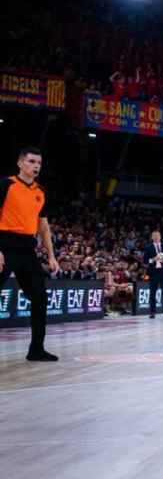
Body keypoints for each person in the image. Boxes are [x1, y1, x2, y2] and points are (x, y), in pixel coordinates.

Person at [0, 147, 60, 361]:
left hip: (27, 248)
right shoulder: (6, 184)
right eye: (32, 161)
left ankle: (36, 349)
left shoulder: (40, 191)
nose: (36, 166)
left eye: (39, 163)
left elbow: (43, 227)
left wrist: (51, 256)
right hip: (4, 245)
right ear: (20, 163)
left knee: (40, 297)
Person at [144, 230, 163, 318]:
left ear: (160, 237)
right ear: (152, 237)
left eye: (157, 236)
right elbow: (145, 260)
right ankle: (152, 312)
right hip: (154, 272)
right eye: (154, 236)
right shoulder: (148, 247)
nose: (156, 237)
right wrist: (153, 259)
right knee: (152, 292)